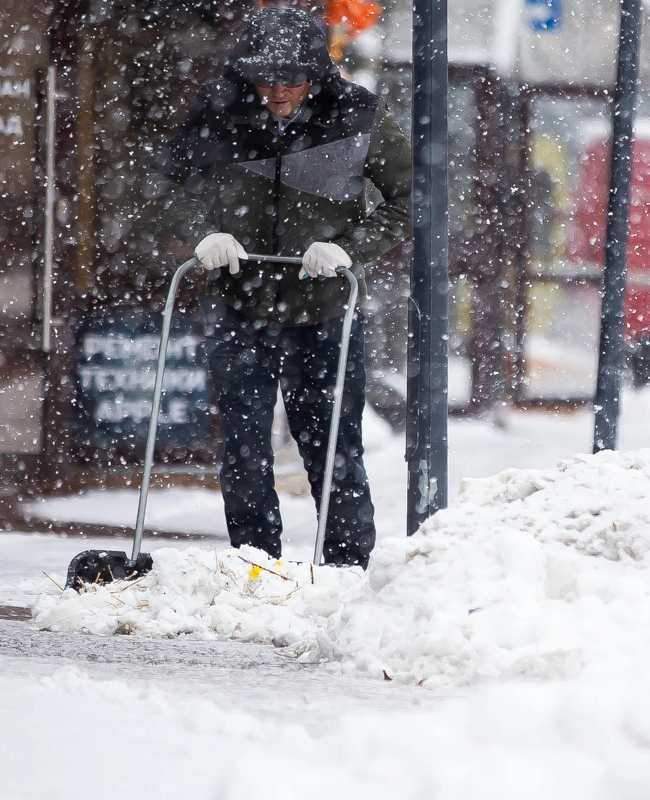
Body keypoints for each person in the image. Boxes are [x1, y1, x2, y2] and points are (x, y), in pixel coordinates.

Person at [147, 7, 411, 568]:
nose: (277, 92)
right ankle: (255, 565)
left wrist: (348, 248)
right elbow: (166, 184)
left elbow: (409, 201)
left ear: (316, 74)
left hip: (325, 308)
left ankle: (344, 569)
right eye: (265, 79)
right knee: (243, 445)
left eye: (291, 79)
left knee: (333, 446)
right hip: (238, 301)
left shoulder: (358, 116)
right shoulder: (220, 111)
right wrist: (204, 234)